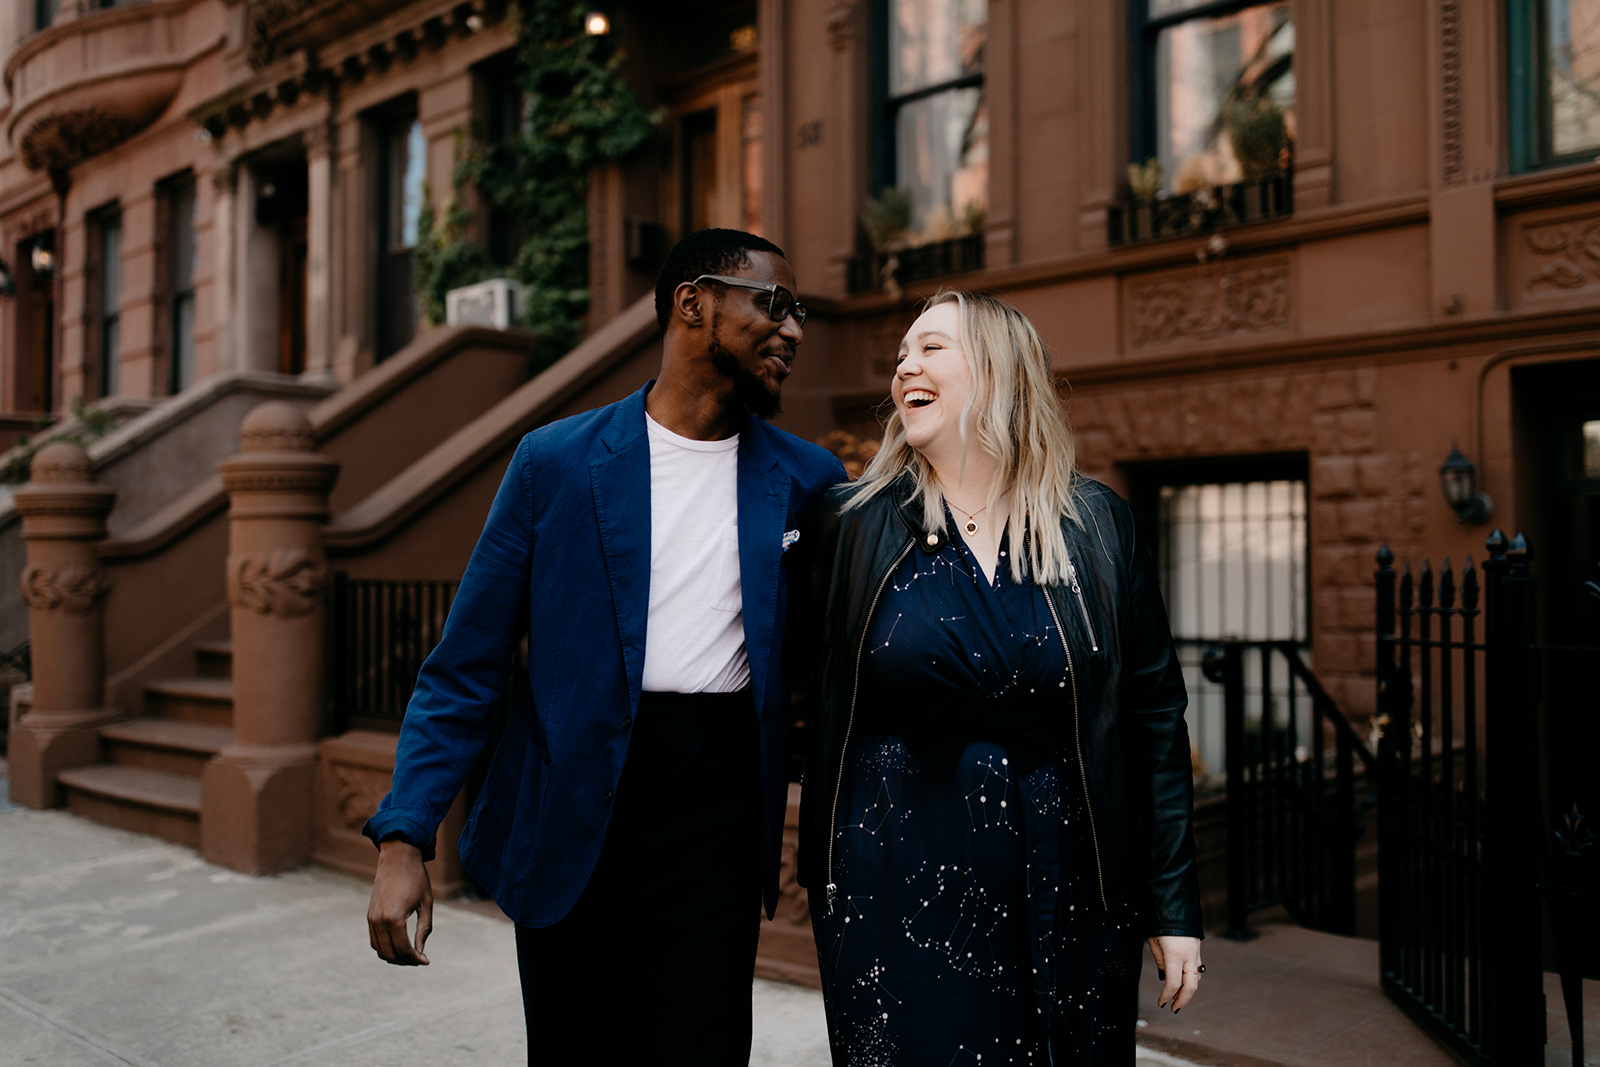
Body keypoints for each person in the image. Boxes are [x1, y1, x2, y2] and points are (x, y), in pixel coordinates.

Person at [363, 227, 848, 1065]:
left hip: (718, 831)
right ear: (693, 304)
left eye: (798, 311)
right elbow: (466, 665)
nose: (794, 330)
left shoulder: (809, 477)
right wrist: (406, 836)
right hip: (573, 823)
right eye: (773, 305)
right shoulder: (555, 462)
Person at [796, 291, 1204, 1065]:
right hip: (896, 883)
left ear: (999, 371)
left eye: (931, 348)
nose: (904, 367)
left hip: (1072, 881)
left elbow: (1154, 718)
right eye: (899, 357)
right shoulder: (847, 524)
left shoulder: (1095, 524)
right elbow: (793, 696)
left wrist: (1174, 906)